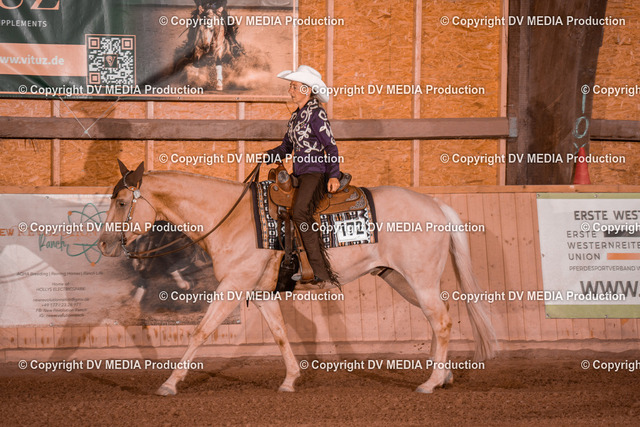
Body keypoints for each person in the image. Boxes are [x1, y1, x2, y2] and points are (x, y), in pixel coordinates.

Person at [265, 65, 340, 284]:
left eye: (294, 86)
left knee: (299, 212)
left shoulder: (317, 114)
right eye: (291, 86)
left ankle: (320, 271)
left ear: (306, 90)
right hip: (299, 173)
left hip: (315, 173)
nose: (290, 91)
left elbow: (331, 146)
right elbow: (286, 148)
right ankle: (296, 261)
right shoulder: (296, 117)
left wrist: (333, 175)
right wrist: (269, 155)